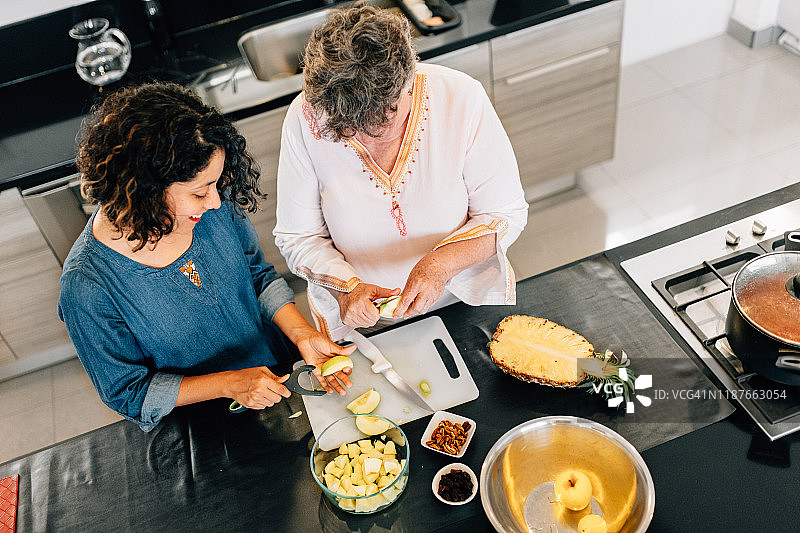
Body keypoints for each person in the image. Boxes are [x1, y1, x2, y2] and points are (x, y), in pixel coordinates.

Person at [57, 82, 355, 432]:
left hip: (278, 374)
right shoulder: (87, 288)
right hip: (204, 427)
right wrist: (228, 384)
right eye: (200, 193)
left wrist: (302, 334)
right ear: (144, 193)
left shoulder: (211, 204)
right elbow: (128, 392)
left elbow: (257, 276)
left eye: (216, 185)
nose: (215, 202)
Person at [274, 6, 529, 340]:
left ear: (409, 82)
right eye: (348, 127)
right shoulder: (304, 118)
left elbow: (504, 213)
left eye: (379, 123)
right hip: (358, 317)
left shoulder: (460, 97)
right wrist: (346, 288)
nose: (363, 138)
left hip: (458, 299)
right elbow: (299, 236)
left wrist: (440, 265)